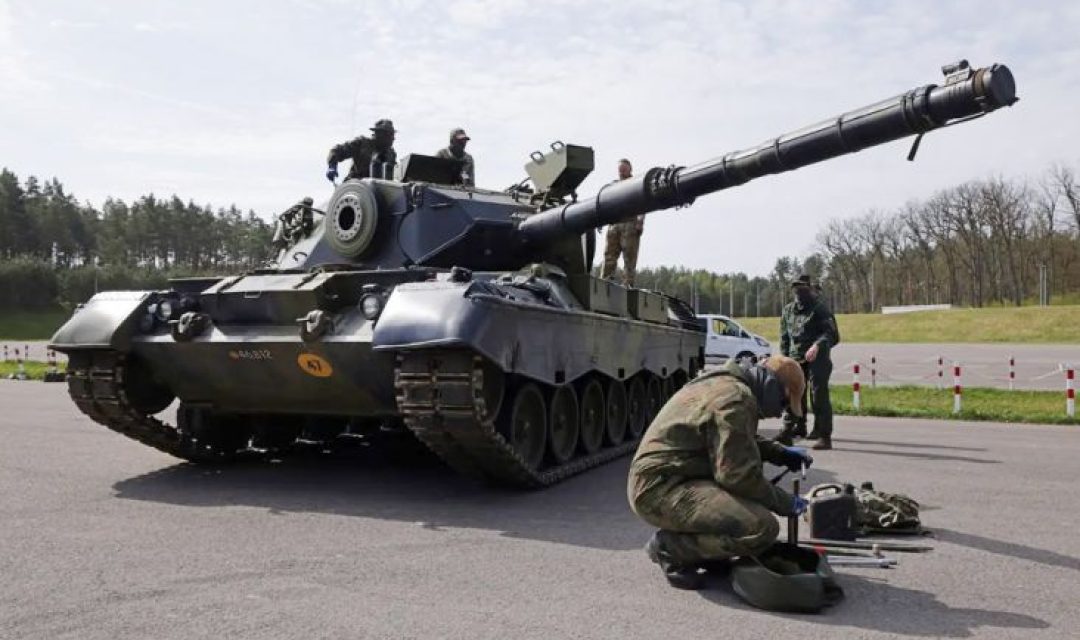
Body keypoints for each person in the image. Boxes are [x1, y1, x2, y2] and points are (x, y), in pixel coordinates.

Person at [627, 355, 813, 590]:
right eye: (784, 402)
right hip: (659, 489)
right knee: (761, 526)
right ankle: (671, 548)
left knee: (743, 508)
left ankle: (708, 554)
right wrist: (785, 502)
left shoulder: (727, 385)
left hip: (673, 476)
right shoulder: (735, 398)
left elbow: (734, 437)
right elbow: (737, 476)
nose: (779, 412)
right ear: (771, 386)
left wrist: (780, 453)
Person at [776, 274, 840, 450]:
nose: (799, 292)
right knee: (794, 393)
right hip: (795, 358)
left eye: (802, 288)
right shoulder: (788, 310)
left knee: (818, 394)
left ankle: (824, 435)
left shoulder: (819, 309)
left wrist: (817, 345)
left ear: (810, 288)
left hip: (817, 358)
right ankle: (793, 428)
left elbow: (832, 334)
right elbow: (784, 337)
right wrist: (785, 358)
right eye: (796, 288)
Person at [600, 159, 644, 286]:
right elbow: (605, 203)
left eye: (624, 169)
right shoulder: (613, 186)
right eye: (620, 169)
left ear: (630, 169)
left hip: (630, 224)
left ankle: (628, 287)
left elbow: (643, 204)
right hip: (614, 224)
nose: (621, 172)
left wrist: (640, 221)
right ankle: (605, 283)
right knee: (609, 257)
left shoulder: (636, 184)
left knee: (629, 260)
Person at [325, 119, 397, 182]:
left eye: (392, 135)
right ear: (378, 134)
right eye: (388, 135)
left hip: (378, 191)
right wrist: (332, 166)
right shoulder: (361, 144)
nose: (392, 138)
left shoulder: (391, 154)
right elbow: (337, 150)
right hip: (356, 187)